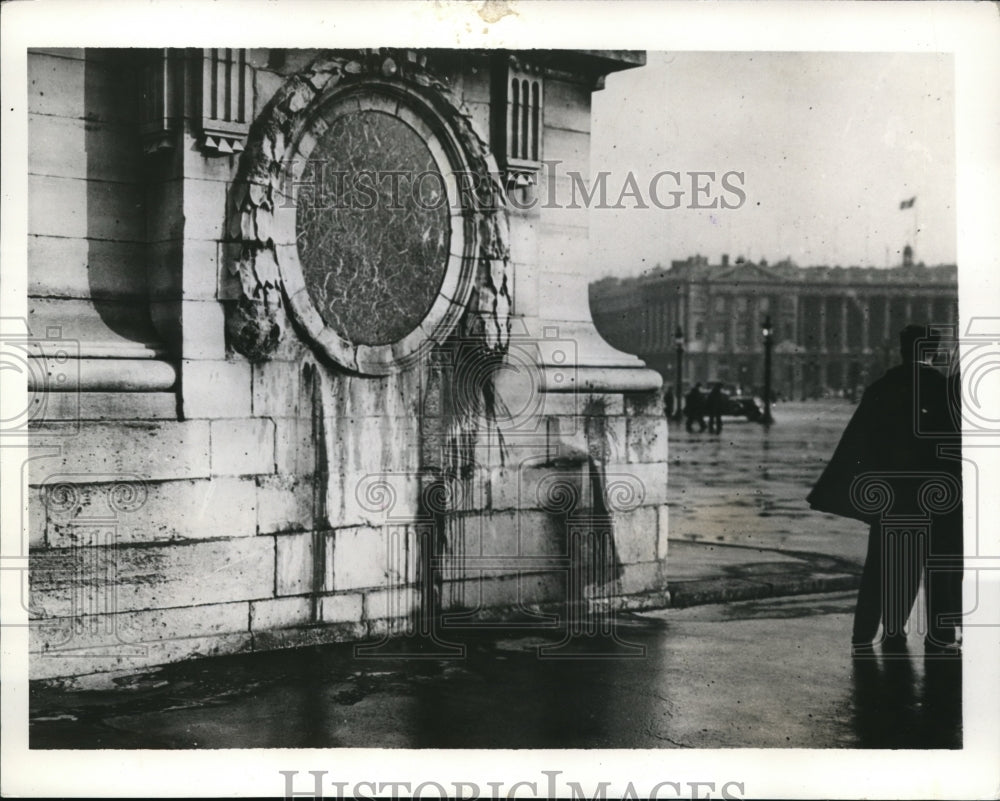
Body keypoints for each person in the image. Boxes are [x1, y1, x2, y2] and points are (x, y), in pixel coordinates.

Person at [807, 324, 962, 653]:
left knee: (882, 564)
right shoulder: (942, 389)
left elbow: (856, 445)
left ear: (902, 351)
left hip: (889, 495)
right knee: (937, 564)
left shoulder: (880, 388)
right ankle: (941, 636)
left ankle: (868, 632)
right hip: (933, 495)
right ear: (932, 352)